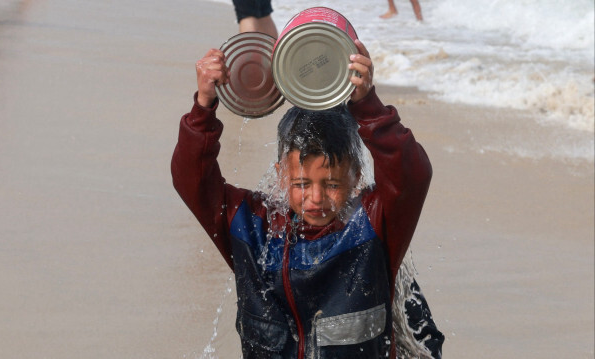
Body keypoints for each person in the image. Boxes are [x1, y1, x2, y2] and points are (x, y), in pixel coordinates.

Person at [171, 38, 444, 358]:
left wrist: (368, 104)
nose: (316, 198)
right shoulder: (251, 226)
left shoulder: (372, 224)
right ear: (280, 173)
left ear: (355, 177)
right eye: (301, 183)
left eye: (331, 184)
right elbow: (193, 179)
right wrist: (204, 104)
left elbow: (412, 174)